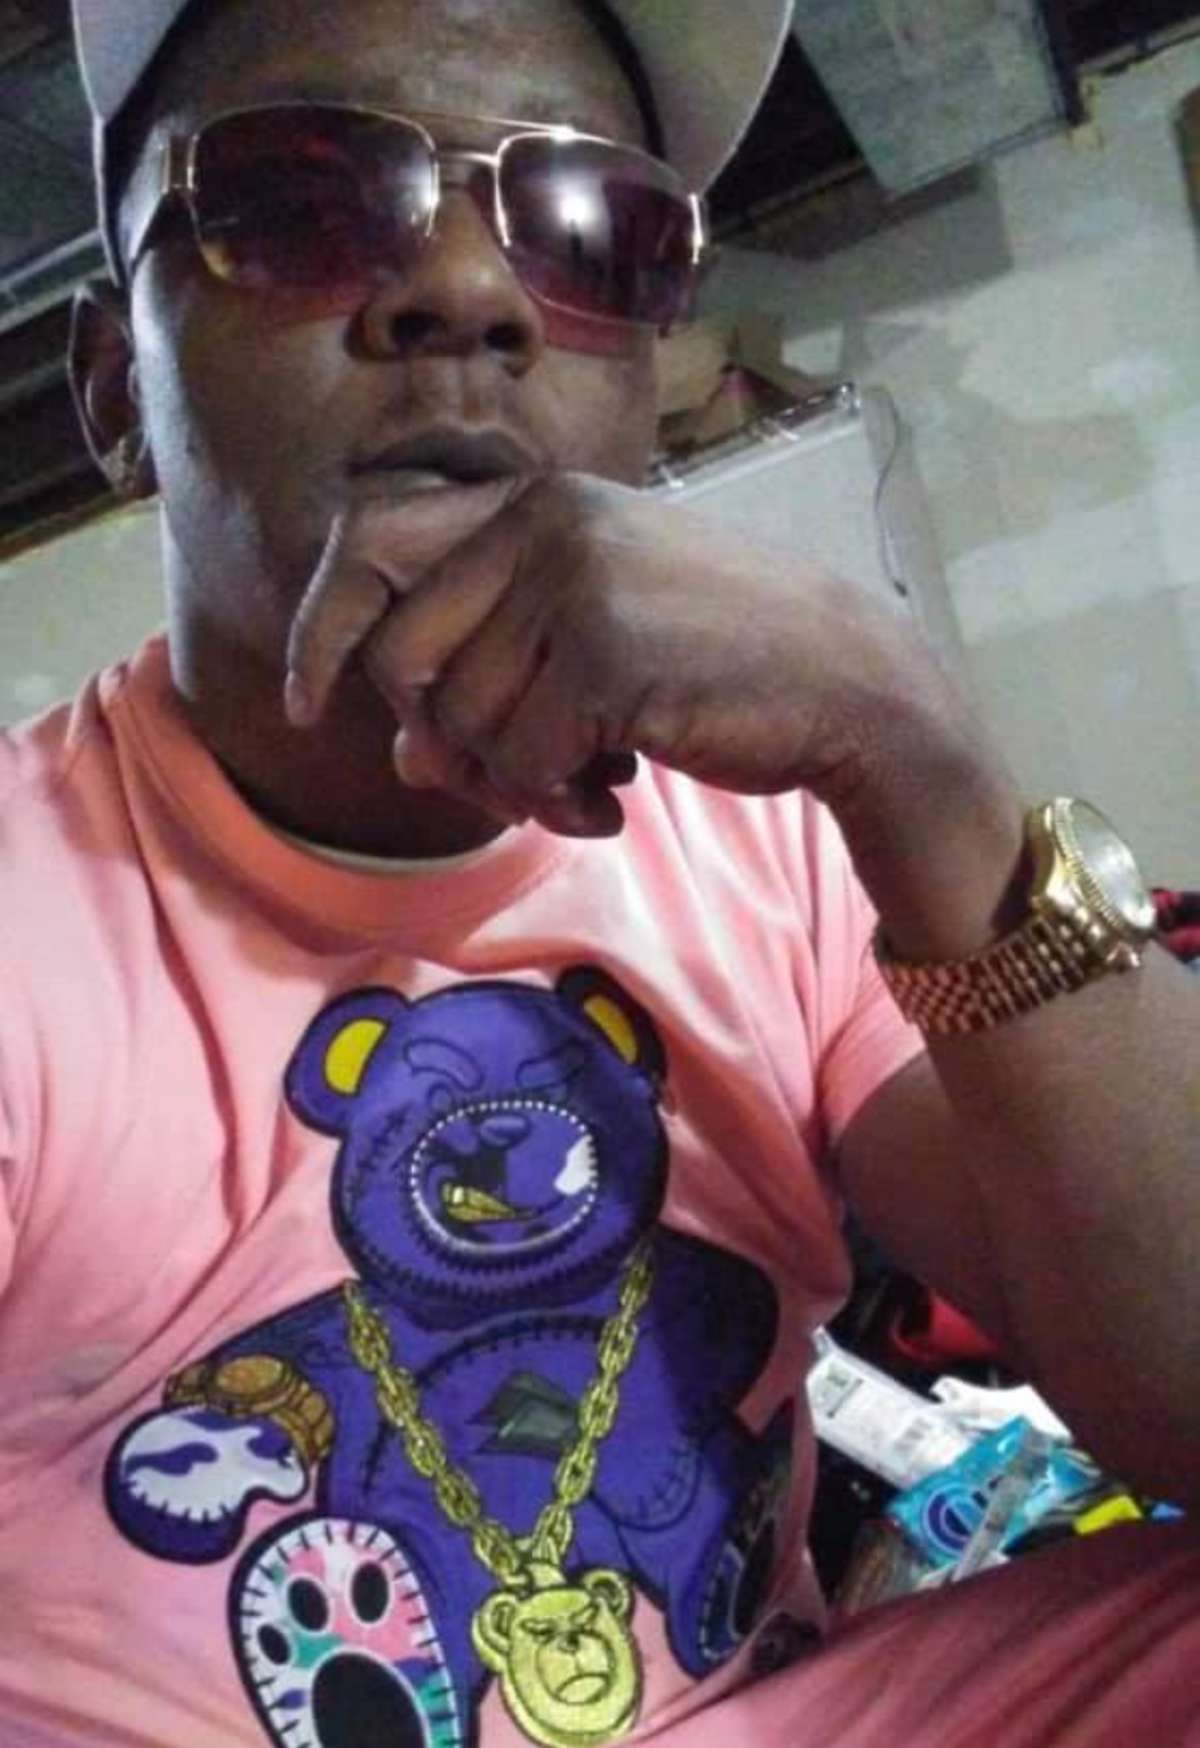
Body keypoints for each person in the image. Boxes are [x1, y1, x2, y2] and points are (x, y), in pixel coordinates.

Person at [2, 0, 1199, 1742]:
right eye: (305, 195)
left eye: (591, 229)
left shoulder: (770, 833)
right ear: (121, 388)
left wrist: (920, 758)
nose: (470, 292)